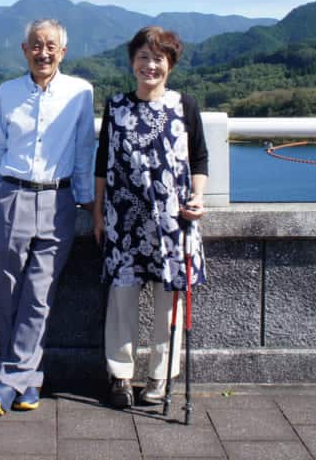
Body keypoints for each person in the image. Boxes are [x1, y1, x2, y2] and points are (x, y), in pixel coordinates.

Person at [0, 18, 95, 416]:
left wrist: (88, 201)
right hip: (12, 196)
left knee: (39, 294)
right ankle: (29, 381)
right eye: (36, 45)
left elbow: (84, 150)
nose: (43, 53)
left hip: (58, 199)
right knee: (10, 293)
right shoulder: (8, 92)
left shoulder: (80, 92)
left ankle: (8, 382)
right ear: (24, 50)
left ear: (63, 52)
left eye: (50, 46)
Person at [92, 25, 208, 408]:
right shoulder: (116, 106)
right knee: (121, 299)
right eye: (143, 57)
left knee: (168, 301)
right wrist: (98, 212)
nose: (150, 65)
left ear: (170, 64)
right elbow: (102, 162)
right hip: (123, 220)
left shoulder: (185, 105)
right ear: (132, 62)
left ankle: (161, 376)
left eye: (158, 58)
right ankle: (120, 375)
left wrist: (198, 197)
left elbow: (200, 159)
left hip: (173, 221)